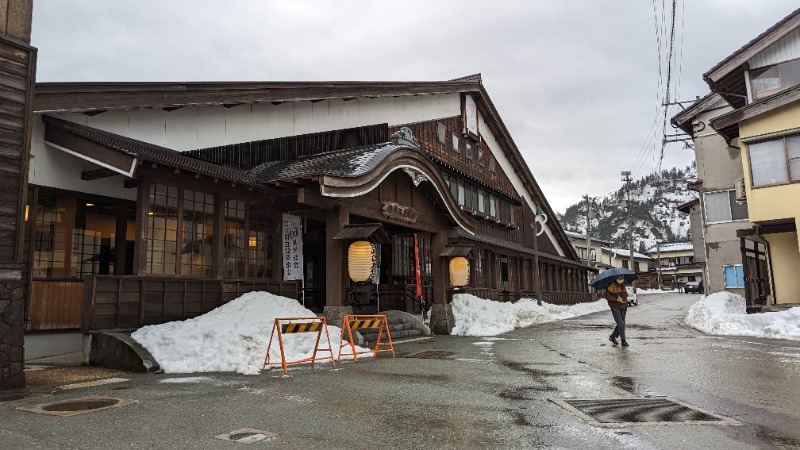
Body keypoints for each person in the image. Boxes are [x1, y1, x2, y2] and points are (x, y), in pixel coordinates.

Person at [605, 274, 629, 347]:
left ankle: (612, 337)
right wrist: (616, 299)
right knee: (621, 323)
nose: (621, 279)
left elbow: (625, 295)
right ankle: (623, 340)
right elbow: (607, 296)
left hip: (623, 306)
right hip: (615, 306)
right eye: (620, 277)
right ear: (616, 278)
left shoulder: (623, 286)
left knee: (621, 324)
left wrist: (623, 298)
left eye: (622, 277)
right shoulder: (611, 286)